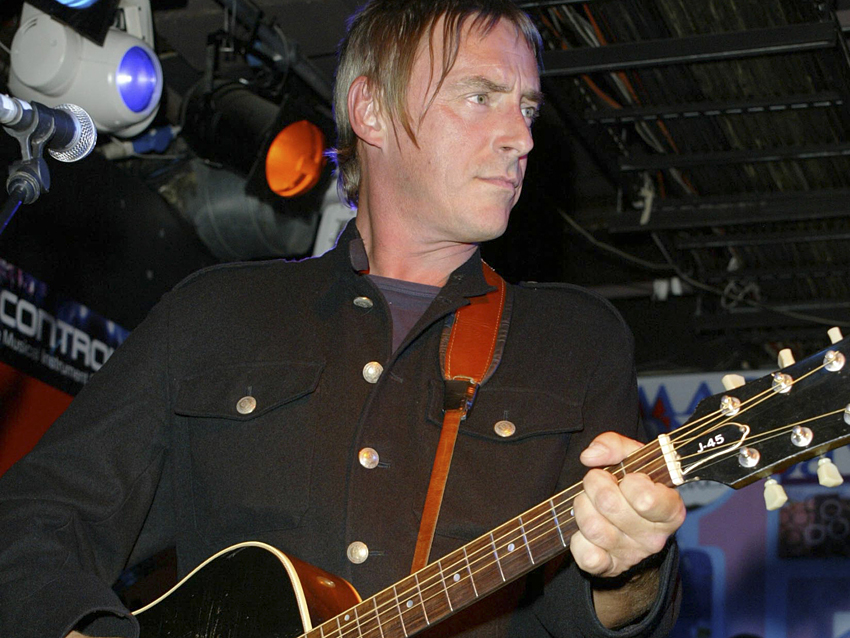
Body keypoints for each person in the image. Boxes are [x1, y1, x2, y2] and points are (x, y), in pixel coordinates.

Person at [0, 1, 686, 636]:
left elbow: (597, 615)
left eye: (527, 110)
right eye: (481, 96)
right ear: (372, 110)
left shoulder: (577, 342)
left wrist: (630, 568)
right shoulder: (216, 313)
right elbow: (34, 517)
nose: (520, 137)